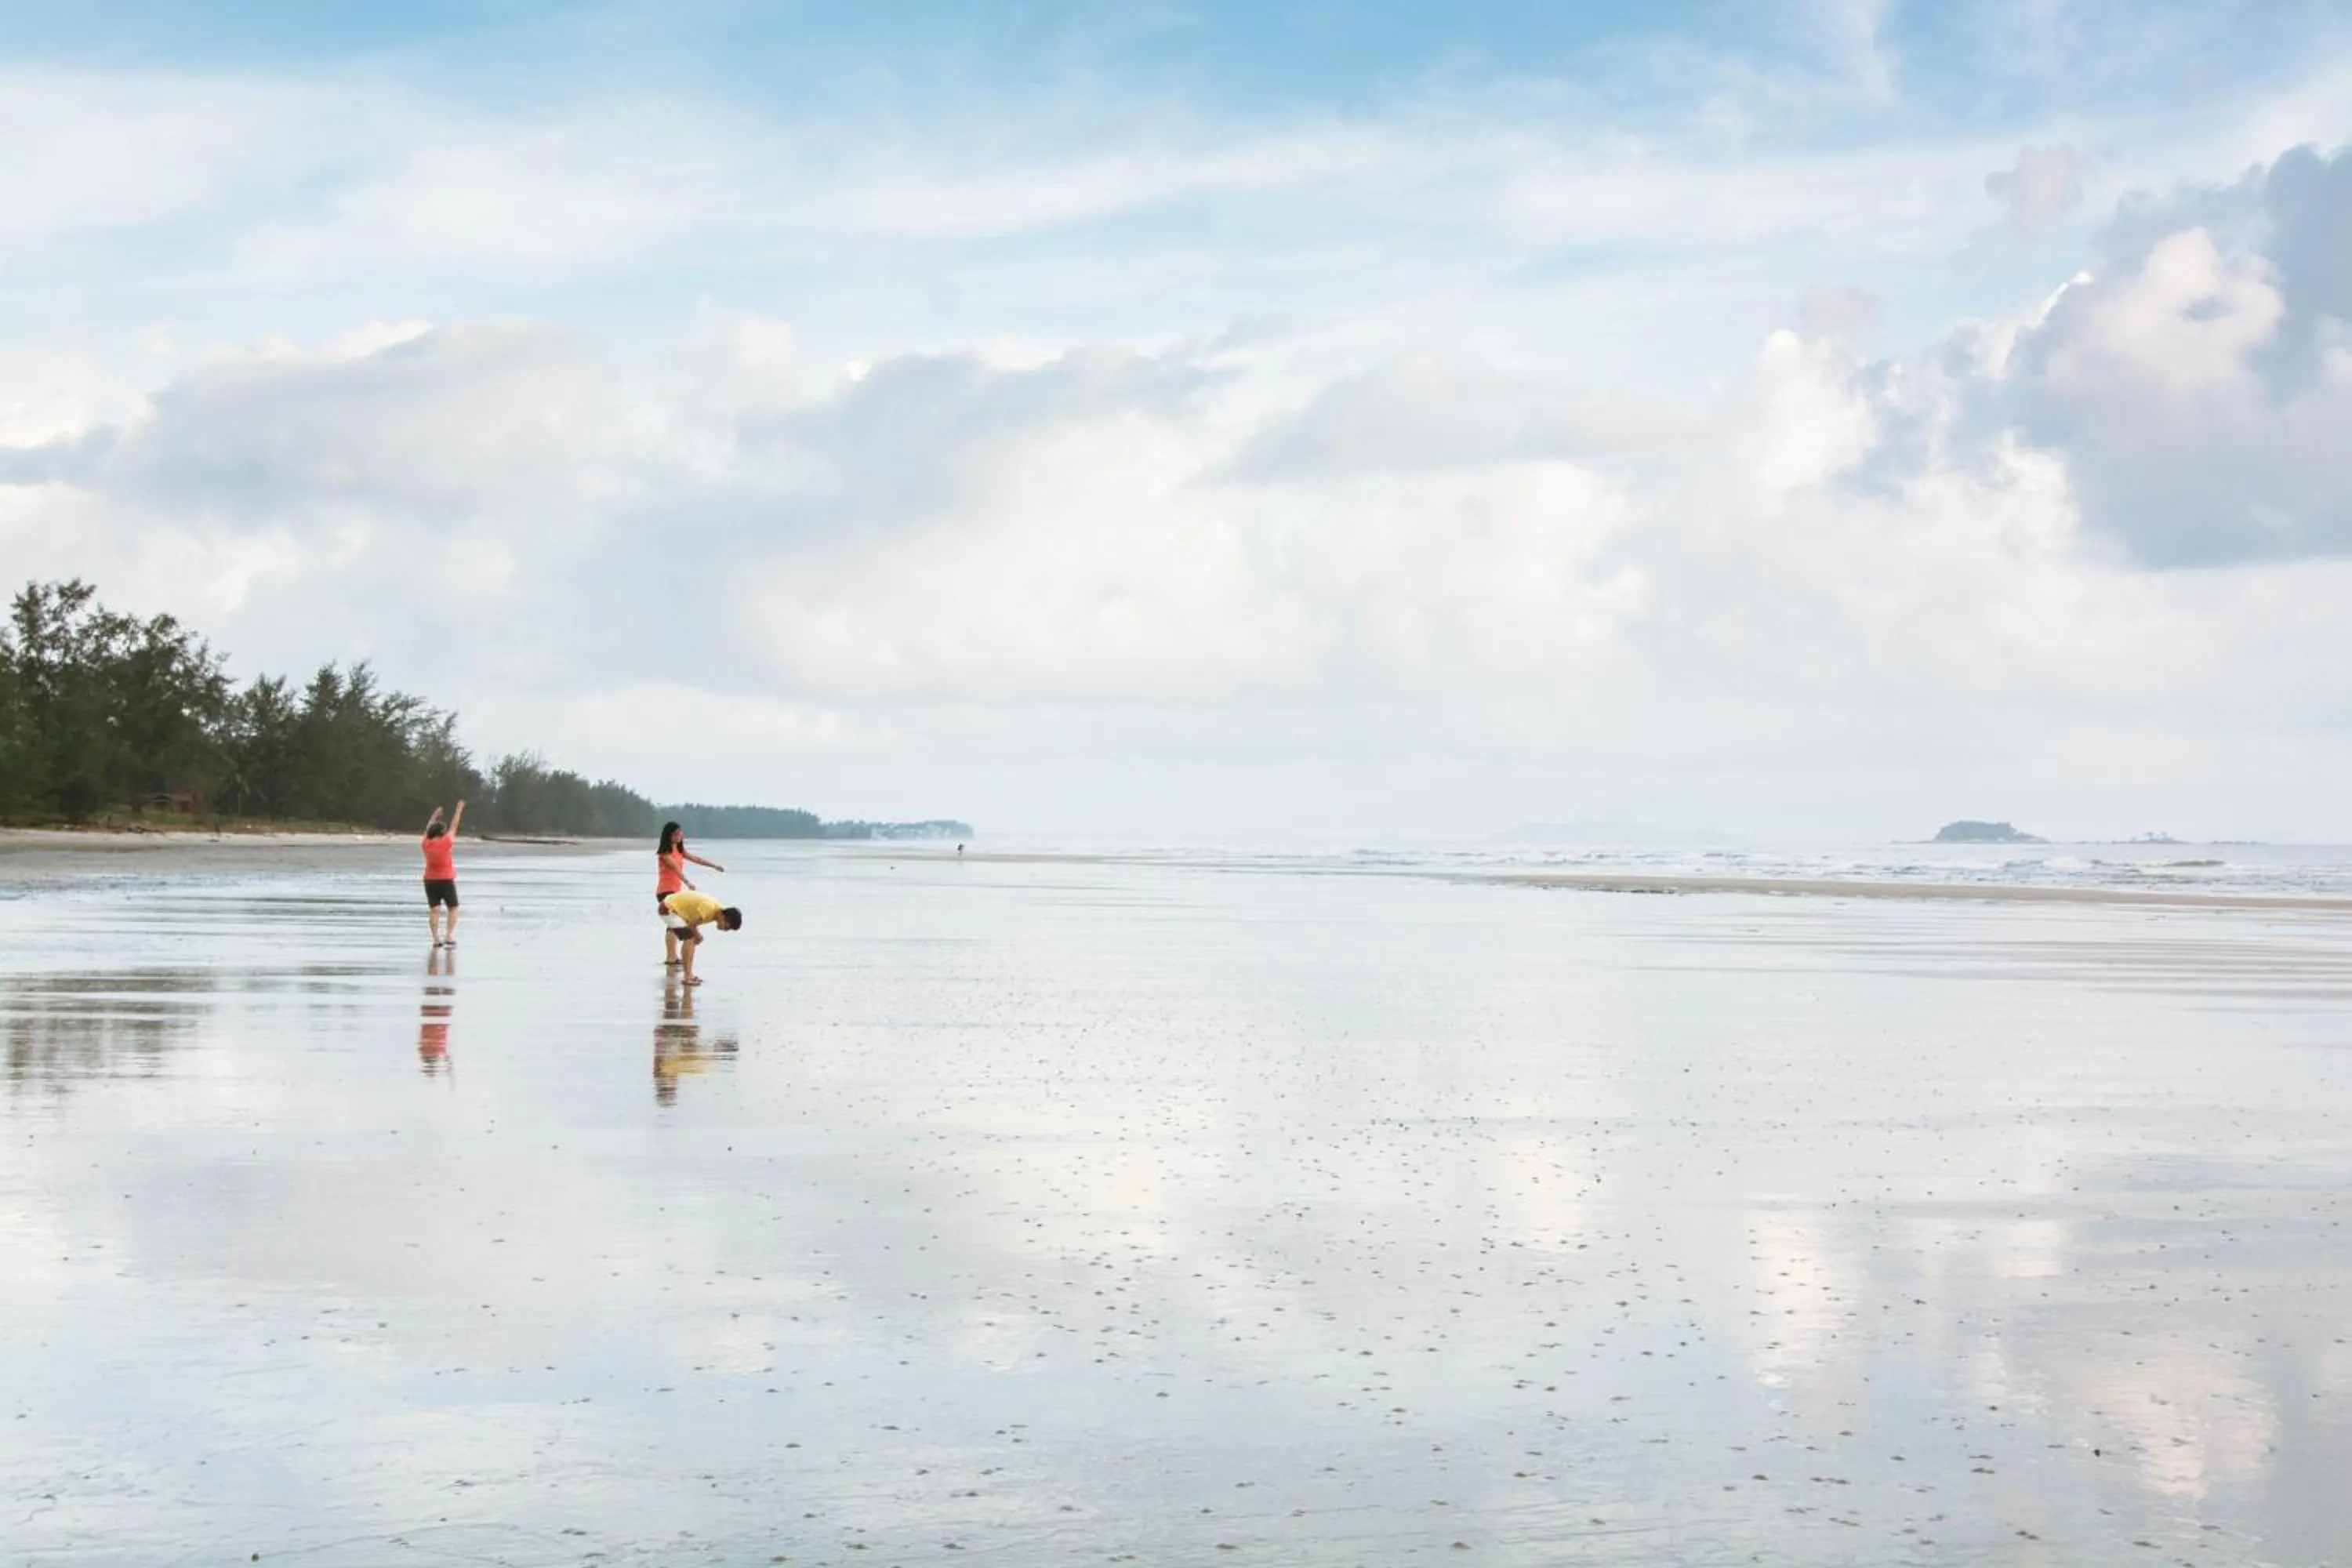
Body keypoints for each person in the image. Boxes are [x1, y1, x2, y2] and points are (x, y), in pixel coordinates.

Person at [655, 821, 724, 967]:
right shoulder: (664, 853)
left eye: (680, 833)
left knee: (673, 925)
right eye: (676, 833)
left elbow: (696, 859)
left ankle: (672, 957)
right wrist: (688, 883)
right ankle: (671, 957)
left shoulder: (679, 850)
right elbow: (674, 868)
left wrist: (714, 866)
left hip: (676, 892)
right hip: (665, 891)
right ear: (669, 836)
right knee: (673, 925)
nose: (679, 835)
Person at [660, 888, 742, 986]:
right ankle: (687, 977)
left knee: (691, 937)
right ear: (723, 916)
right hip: (668, 909)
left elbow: (692, 922)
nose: (724, 930)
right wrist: (698, 936)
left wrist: (697, 935)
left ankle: (684, 971)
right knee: (690, 938)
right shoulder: (709, 908)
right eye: (726, 927)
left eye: (727, 930)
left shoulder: (716, 910)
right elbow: (691, 925)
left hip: (672, 908)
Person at [422, 800, 465, 946]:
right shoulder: (445, 842)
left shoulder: (426, 843)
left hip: (429, 880)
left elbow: (427, 829)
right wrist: (458, 810)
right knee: (453, 907)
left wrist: (434, 815)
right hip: (446, 879)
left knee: (434, 909)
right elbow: (454, 826)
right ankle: (449, 935)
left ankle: (435, 938)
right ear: (442, 832)